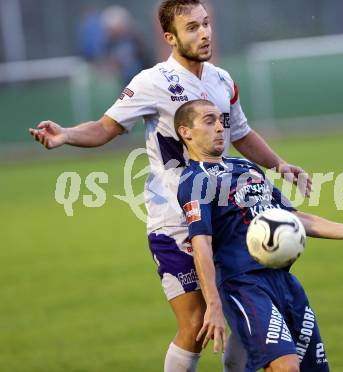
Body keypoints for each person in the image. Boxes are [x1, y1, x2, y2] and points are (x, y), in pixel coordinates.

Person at [28, 1, 311, 371]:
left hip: (225, 219)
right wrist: (65, 135)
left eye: (206, 24)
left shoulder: (222, 80)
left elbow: (240, 133)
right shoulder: (152, 81)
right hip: (174, 222)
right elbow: (104, 127)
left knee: (244, 323)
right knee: (195, 325)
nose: (204, 33)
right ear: (170, 37)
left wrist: (279, 164)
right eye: (192, 27)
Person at [175, 99, 343, 371]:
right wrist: (213, 304)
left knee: (314, 367)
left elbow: (292, 217)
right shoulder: (195, 181)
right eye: (209, 121)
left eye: (221, 120)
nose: (220, 127)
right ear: (186, 132)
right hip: (244, 285)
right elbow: (202, 245)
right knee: (286, 367)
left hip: (285, 282)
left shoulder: (247, 167)